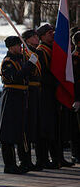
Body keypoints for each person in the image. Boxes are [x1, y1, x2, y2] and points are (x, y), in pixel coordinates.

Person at [0, 36, 38, 174]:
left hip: (21, 98)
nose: (20, 47)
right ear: (11, 47)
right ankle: (9, 165)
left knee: (21, 130)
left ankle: (24, 161)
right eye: (17, 45)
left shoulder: (20, 59)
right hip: (11, 98)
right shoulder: (8, 62)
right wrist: (29, 65)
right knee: (8, 133)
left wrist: (30, 63)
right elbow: (15, 77)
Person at [36, 24, 62, 168]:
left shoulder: (53, 49)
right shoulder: (41, 52)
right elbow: (42, 74)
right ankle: (43, 159)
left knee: (55, 125)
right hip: (45, 92)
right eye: (49, 33)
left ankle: (57, 157)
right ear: (42, 36)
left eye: (53, 32)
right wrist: (56, 81)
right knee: (45, 126)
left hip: (53, 92)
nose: (52, 34)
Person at [21, 29, 43, 171]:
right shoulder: (25, 53)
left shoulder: (36, 51)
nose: (37, 38)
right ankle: (26, 160)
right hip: (28, 91)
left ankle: (36, 159)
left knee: (35, 126)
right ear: (27, 39)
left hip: (37, 91)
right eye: (34, 36)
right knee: (27, 127)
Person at [71, 31, 80, 163]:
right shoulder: (75, 58)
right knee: (77, 127)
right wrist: (77, 99)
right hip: (78, 97)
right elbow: (76, 80)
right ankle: (76, 153)